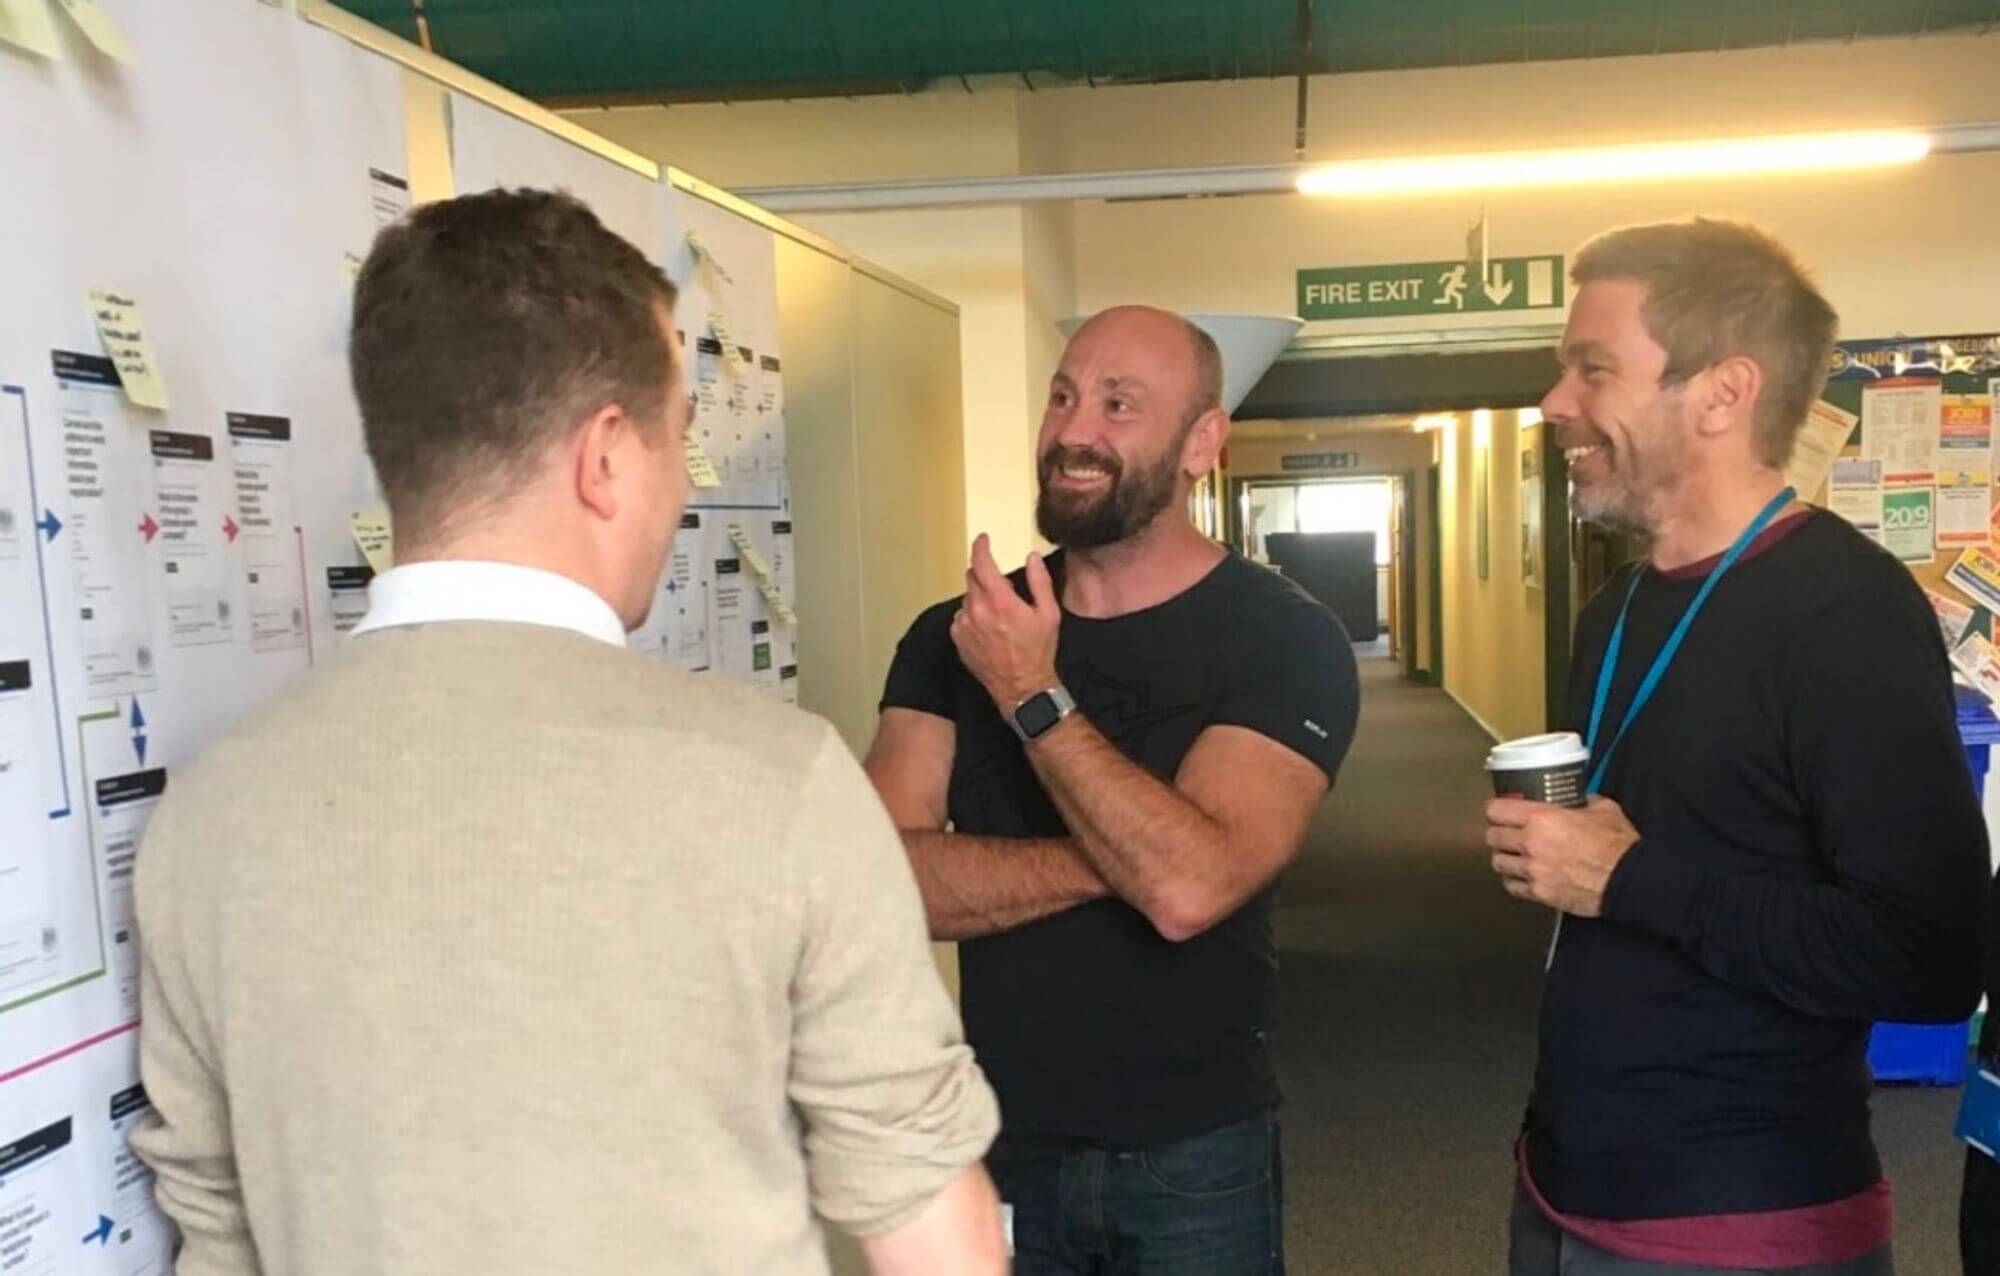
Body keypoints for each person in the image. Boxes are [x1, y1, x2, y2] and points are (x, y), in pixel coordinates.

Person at [129, 189, 1005, 1276]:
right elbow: (927, 1228)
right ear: (603, 458)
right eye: (680, 439)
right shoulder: (776, 784)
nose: (684, 485)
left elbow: (217, 1239)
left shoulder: (209, 813)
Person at [1488, 218, 1987, 1275]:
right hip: (1562, 1189)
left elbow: (1930, 956)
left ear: (1720, 393)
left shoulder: (1842, 613)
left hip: (1741, 1224)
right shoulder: (1613, 608)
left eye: (1591, 369)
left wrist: (1626, 878)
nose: (1553, 404)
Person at [864, 304, 1360, 1274]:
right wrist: (1135, 857)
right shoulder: (954, 632)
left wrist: (1027, 690)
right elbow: (880, 878)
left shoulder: (1279, 637)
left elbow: (1186, 894)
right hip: (995, 1132)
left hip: (1191, 1151)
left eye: (1119, 404)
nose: (1073, 430)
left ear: (1200, 441)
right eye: (1062, 396)